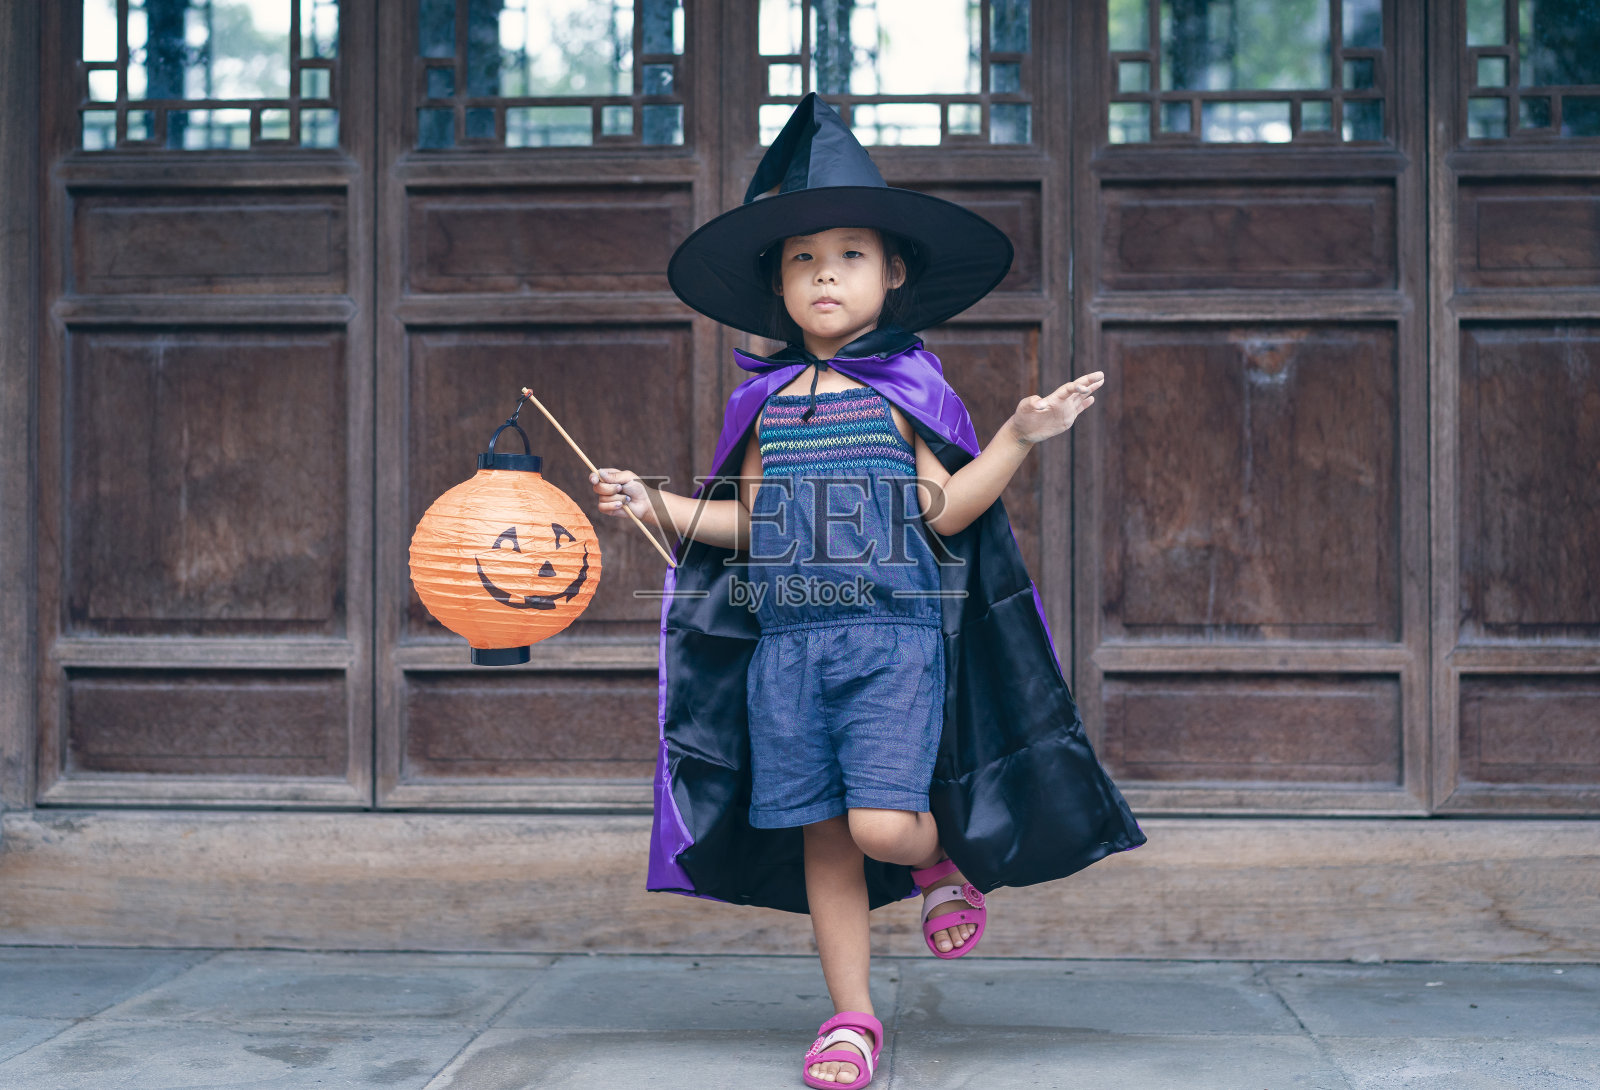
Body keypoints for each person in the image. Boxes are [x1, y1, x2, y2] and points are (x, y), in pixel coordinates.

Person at [587, 94, 1145, 1089]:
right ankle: (850, 1018)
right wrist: (655, 502)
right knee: (824, 838)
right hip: (785, 652)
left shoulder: (909, 391)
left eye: (848, 254)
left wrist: (1017, 436)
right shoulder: (760, 402)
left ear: (893, 273)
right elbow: (752, 526)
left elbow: (944, 513)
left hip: (892, 644)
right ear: (777, 285)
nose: (823, 274)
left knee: (880, 825)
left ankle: (935, 859)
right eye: (801, 258)